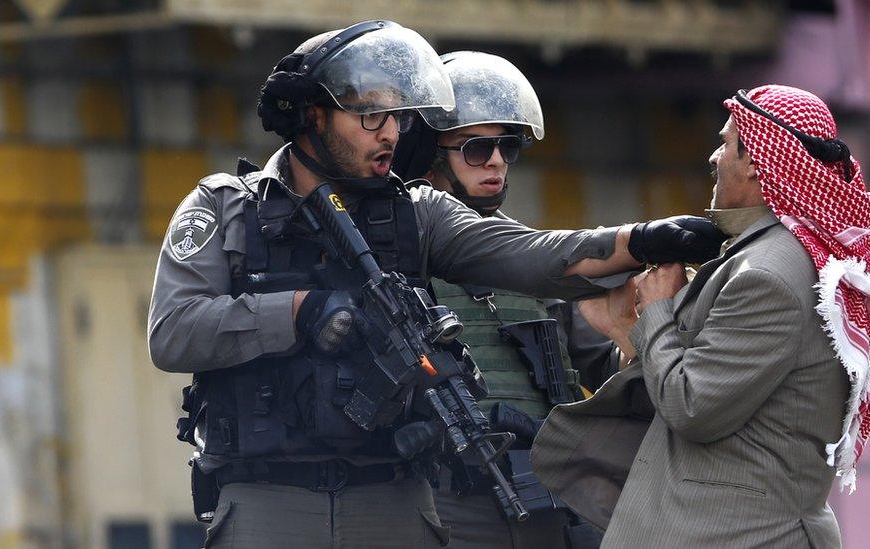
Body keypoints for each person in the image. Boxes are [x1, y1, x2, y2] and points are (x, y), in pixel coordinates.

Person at [148, 20, 725, 549]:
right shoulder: (225, 207)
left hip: (394, 497)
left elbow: (530, 255)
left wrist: (642, 240)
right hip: (267, 499)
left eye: (398, 118)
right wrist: (301, 310)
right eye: (371, 117)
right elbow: (173, 331)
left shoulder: (417, 212)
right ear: (315, 116)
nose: (390, 134)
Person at [531, 84, 870, 548]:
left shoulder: (766, 275)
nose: (714, 157)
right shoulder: (777, 259)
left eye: (725, 144)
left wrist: (659, 308)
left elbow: (693, 406)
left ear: (756, 162)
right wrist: (630, 328)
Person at [393, 50, 614, 548]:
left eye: (506, 146)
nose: (495, 161)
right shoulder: (395, 256)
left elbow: (602, 363)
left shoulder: (535, 258)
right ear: (429, 153)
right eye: (475, 148)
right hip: (445, 497)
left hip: (545, 491)